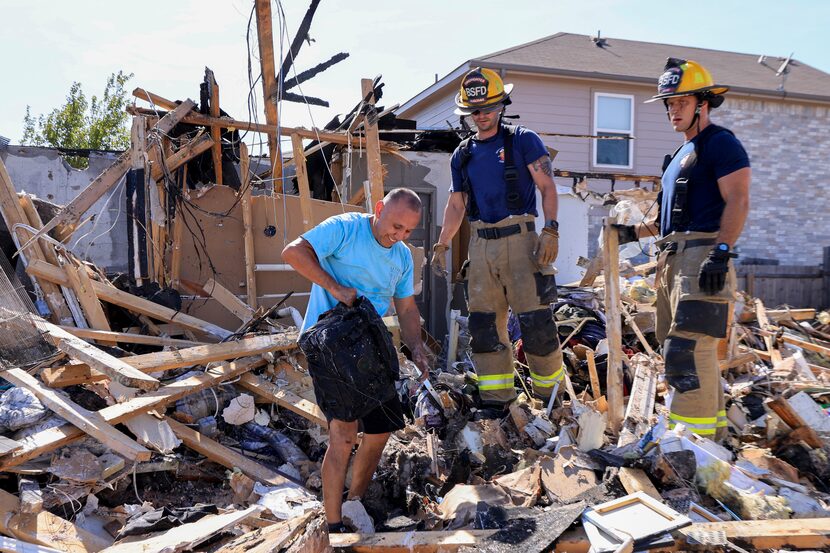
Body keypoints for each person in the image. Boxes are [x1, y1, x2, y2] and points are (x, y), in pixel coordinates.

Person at [282, 188, 431, 532]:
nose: (400, 236)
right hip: (330, 343)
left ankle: (355, 503)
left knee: (380, 430)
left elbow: (407, 308)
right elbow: (293, 252)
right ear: (378, 209)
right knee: (343, 435)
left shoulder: (403, 256)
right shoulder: (346, 229)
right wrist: (337, 290)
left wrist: (416, 347)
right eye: (396, 226)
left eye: (408, 231)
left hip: (372, 345)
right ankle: (333, 525)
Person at [618, 58, 751, 441]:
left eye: (680, 102)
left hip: (703, 255)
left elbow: (738, 200)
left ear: (702, 103)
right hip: (671, 258)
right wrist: (626, 234)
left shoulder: (720, 144)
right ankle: (713, 440)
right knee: (682, 348)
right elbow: (664, 221)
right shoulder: (679, 156)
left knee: (688, 351)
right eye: (668, 104)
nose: (672, 110)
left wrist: (722, 251)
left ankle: (687, 447)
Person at [430, 67, 564, 415]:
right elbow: (456, 203)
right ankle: (497, 401)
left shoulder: (523, 140)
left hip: (521, 241)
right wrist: (443, 243)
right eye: (475, 110)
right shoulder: (463, 154)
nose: (482, 115)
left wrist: (551, 228)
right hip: (481, 245)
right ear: (468, 113)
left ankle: (550, 401)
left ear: (502, 105)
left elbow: (547, 187)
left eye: (489, 107)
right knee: (485, 326)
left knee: (536, 324)